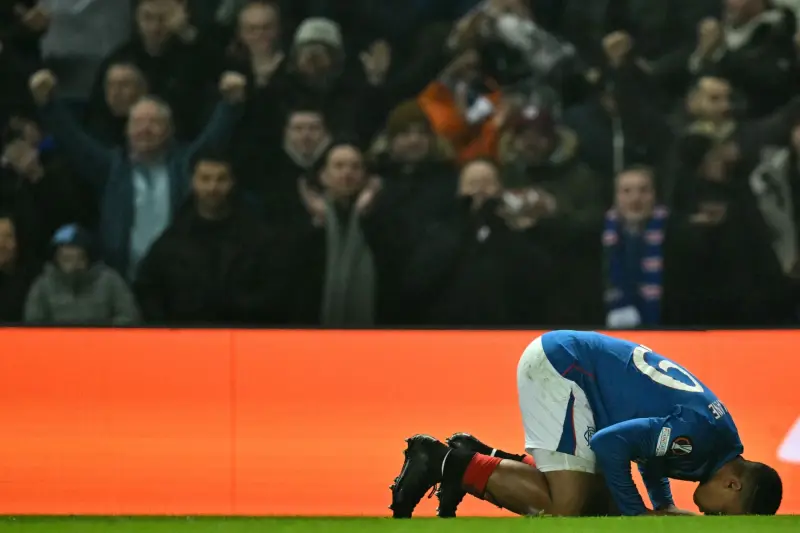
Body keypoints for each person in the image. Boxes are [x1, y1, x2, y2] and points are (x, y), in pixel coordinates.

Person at [389, 330, 783, 518]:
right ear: (733, 485)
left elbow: (649, 447)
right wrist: (639, 515)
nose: (713, 521)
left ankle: (482, 457)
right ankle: (444, 461)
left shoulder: (716, 443)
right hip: (566, 367)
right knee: (569, 508)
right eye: (723, 516)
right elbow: (612, 444)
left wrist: (662, 504)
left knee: (600, 506)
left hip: (577, 367)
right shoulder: (701, 440)